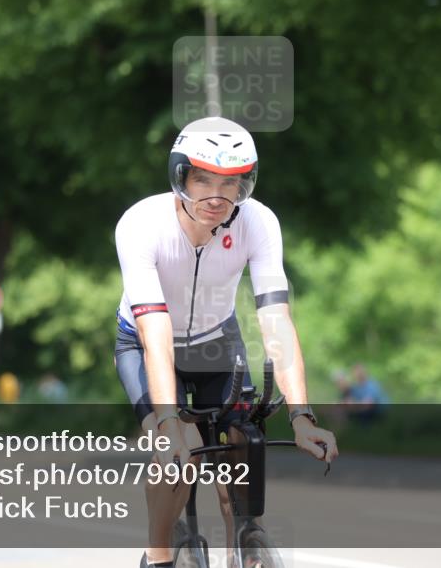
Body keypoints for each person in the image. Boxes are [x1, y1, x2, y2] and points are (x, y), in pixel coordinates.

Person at [114, 117, 338, 568]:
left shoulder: (259, 222)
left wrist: (302, 416)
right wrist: (169, 422)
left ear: (245, 184)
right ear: (181, 176)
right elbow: (155, 333)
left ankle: (246, 540)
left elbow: (275, 319)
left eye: (230, 182)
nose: (217, 195)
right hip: (146, 344)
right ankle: (157, 554)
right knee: (180, 450)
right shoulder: (141, 223)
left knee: (244, 441)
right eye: (203, 179)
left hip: (217, 339)